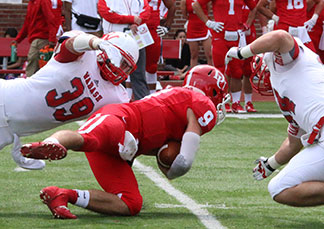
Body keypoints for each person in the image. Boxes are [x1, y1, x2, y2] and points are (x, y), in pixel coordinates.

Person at [20, 65, 230, 219]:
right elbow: (184, 161)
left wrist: (165, 158)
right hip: (124, 120)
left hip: (126, 148)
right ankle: (51, 143)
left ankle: (63, 195)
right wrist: (176, 167)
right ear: (211, 91)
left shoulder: (177, 107)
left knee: (130, 204)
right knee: (88, 139)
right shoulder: (200, 102)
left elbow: (165, 156)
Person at [0, 30, 139, 170]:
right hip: (5, 95)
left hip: (11, 130)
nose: (122, 70)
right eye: (122, 62)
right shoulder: (85, 55)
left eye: (127, 66)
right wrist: (97, 43)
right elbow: (71, 44)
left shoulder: (118, 97)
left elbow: (120, 124)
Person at [225, 30, 324, 207]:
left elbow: (280, 36)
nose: (261, 78)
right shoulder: (289, 92)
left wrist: (242, 52)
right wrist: (270, 164)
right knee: (278, 188)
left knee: (280, 188)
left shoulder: (284, 61)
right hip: (321, 135)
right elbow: (293, 143)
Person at [192, 0, 257, 113]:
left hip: (236, 34)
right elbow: (196, 5)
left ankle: (236, 102)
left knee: (237, 71)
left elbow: (254, 7)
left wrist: (248, 23)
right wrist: (208, 22)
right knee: (220, 70)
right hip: (220, 34)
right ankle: (222, 101)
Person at [97, 0, 151, 100]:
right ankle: (116, 104)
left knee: (139, 75)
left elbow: (146, 11)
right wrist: (131, 19)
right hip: (114, 42)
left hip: (136, 40)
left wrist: (137, 22)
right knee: (114, 75)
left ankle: (144, 105)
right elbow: (106, 14)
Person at [13, 0, 62, 77]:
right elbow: (27, 23)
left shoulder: (43, 1)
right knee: (38, 65)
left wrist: (52, 39)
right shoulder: (32, 2)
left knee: (32, 63)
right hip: (39, 38)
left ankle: (29, 84)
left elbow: (51, 19)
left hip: (41, 38)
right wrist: (18, 39)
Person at [256, 0, 324, 51]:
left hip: (299, 29)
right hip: (285, 28)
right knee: (281, 58)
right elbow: (261, 6)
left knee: (311, 57)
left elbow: (320, 1)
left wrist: (313, 19)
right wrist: (274, 17)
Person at [145, 0, 176, 95]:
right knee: (132, 63)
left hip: (153, 29)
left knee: (152, 65)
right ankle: (128, 95)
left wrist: (167, 26)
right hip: (136, 27)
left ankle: (151, 94)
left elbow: (172, 6)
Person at [180, 0, 213, 67]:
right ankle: (193, 74)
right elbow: (185, 14)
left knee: (209, 54)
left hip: (204, 25)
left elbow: (208, 10)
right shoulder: (184, 1)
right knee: (194, 55)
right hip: (192, 27)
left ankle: (211, 73)